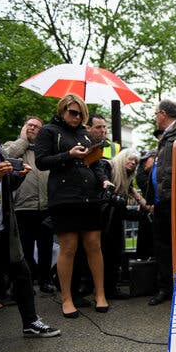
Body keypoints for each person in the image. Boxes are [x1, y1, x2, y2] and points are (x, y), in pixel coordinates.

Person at [34, 94, 110, 318]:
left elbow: (94, 162)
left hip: (89, 196)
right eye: (72, 112)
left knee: (94, 244)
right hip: (64, 196)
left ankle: (100, 294)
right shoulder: (48, 131)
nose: (76, 117)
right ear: (62, 110)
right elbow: (41, 161)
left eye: (80, 113)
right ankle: (66, 298)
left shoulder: (85, 134)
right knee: (68, 247)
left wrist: (103, 179)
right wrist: (68, 154)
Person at [0, 134, 60, 338]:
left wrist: (17, 176)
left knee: (22, 272)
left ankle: (30, 322)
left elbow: (4, 186)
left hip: (0, 226)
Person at [2, 116, 55, 294]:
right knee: (24, 248)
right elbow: (5, 156)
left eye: (37, 127)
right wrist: (23, 140)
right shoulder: (14, 145)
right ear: (24, 128)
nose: (33, 128)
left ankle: (46, 280)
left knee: (46, 247)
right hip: (23, 207)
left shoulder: (44, 151)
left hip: (45, 207)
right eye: (30, 125)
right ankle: (27, 282)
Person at [147, 99, 176, 306]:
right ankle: (164, 288)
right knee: (162, 246)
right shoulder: (165, 137)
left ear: (163, 114)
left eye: (156, 114)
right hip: (161, 200)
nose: (155, 118)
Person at [100, 148, 147, 300]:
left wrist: (142, 212)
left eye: (136, 162)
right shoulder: (108, 167)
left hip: (112, 223)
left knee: (113, 256)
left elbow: (122, 211)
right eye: (130, 159)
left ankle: (109, 289)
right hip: (101, 222)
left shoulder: (126, 180)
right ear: (122, 158)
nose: (133, 163)